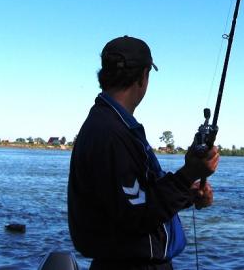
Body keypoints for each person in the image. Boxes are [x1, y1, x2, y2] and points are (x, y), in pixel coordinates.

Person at [68, 36, 219, 270]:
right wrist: (189, 174)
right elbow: (137, 214)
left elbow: (138, 195)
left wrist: (188, 194)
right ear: (143, 76)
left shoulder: (113, 125)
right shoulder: (110, 133)